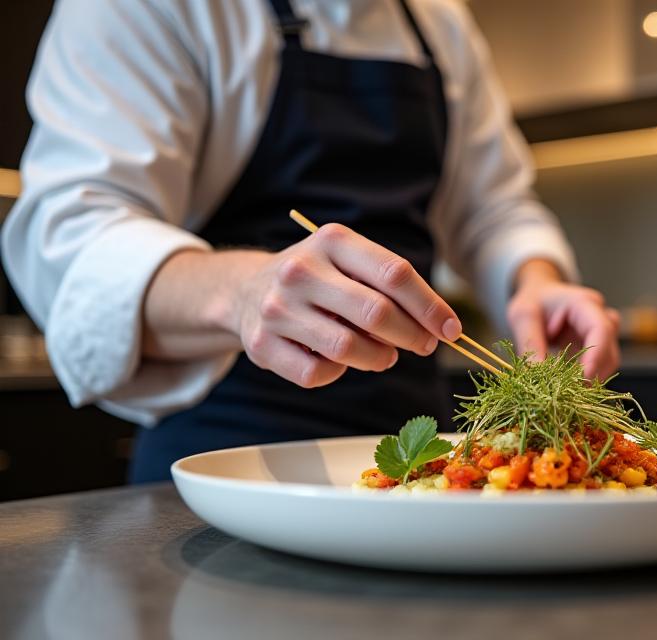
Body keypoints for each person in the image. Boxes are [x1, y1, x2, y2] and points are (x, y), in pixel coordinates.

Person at [1, 0, 620, 482]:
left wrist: (536, 281)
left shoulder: (438, 20)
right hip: (228, 453)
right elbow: (70, 232)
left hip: (417, 448)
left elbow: (492, 207)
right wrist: (243, 293)